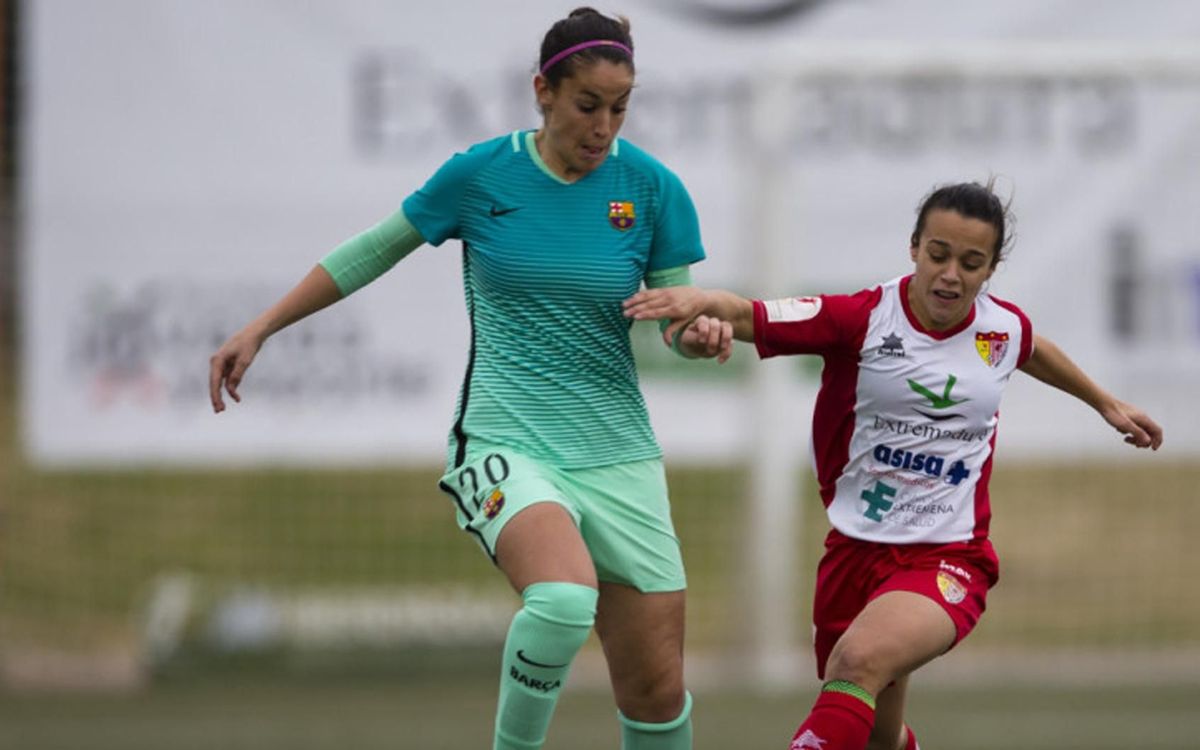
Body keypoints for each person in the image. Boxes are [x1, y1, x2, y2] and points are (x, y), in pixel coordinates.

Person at [208, 8, 728, 750]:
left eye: (620, 108)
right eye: (588, 106)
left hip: (619, 453)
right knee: (559, 600)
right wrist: (261, 327)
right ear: (542, 91)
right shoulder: (482, 174)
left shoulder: (651, 189)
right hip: (507, 439)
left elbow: (675, 316)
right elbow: (372, 251)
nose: (604, 126)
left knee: (654, 693)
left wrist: (697, 332)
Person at [622, 180, 1163, 750]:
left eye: (971, 262)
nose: (951, 274)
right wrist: (702, 304)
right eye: (939, 255)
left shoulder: (998, 329)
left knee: (856, 662)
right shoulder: (863, 318)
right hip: (853, 555)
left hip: (949, 558)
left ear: (990, 269)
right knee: (879, 733)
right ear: (913, 247)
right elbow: (752, 314)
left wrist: (1106, 402)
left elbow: (1031, 347)